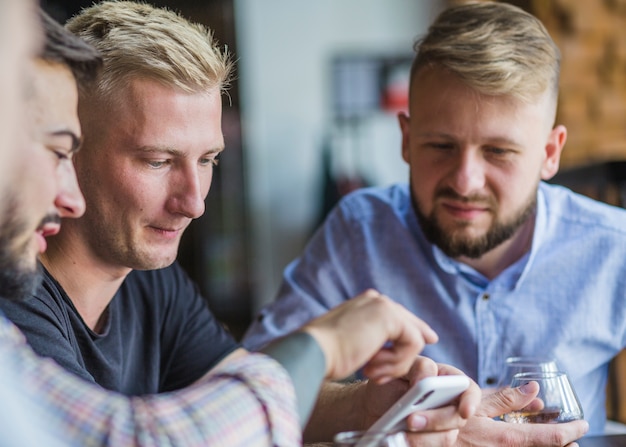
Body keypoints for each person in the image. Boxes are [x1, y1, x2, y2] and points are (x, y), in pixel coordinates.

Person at [0, 3, 483, 446]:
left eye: (207, 159)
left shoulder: (153, 281)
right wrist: (324, 344)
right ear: (72, 149)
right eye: (157, 160)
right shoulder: (14, 302)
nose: (193, 203)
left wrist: (374, 405)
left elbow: (242, 403)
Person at [243, 0, 612, 444]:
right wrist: (369, 406)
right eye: (440, 146)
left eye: (498, 151)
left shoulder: (613, 248)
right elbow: (255, 389)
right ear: (406, 139)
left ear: (550, 153)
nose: (464, 180)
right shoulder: (360, 230)